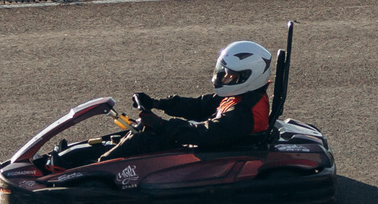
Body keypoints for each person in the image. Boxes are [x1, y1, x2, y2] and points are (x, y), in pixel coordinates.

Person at [101, 39, 278, 158]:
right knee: (143, 132)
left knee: (143, 141)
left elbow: (202, 134)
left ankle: (97, 173)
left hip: (215, 154)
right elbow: (199, 106)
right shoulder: (242, 96)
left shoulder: (242, 114)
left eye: (230, 75)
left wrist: (163, 125)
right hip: (214, 141)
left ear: (248, 76)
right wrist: (156, 103)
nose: (223, 78)